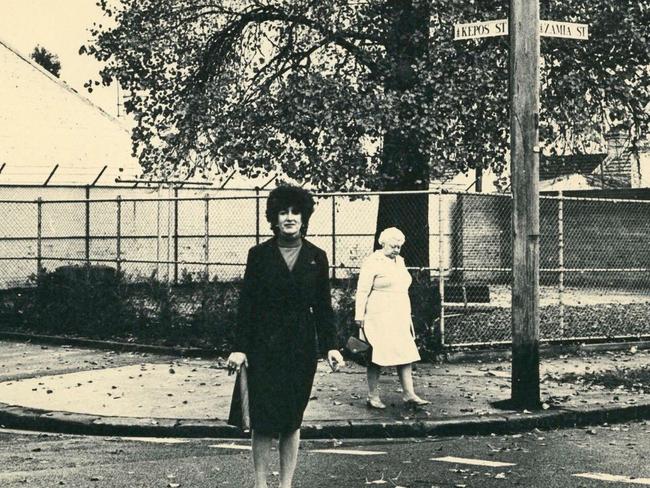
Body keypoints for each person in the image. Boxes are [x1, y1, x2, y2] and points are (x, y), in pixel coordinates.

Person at [227, 185, 344, 488]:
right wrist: (240, 349)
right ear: (274, 218)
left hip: (301, 349)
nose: (290, 218)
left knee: (292, 419)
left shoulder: (317, 256)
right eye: (283, 212)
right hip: (263, 347)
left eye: (295, 212)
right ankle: (260, 484)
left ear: (304, 217)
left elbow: (322, 306)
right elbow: (247, 305)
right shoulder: (259, 255)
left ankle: (286, 485)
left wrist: (331, 346)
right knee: (263, 421)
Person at [354, 227, 429, 409]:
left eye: (399, 246)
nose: (396, 250)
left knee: (405, 352)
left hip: (399, 313)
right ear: (383, 243)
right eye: (393, 246)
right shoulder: (372, 261)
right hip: (378, 314)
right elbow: (363, 290)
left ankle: (409, 394)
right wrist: (359, 316)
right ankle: (373, 396)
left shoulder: (400, 261)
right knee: (376, 354)